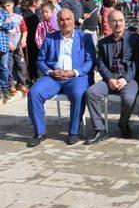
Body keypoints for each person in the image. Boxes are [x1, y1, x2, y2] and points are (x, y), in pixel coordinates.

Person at [26, 9, 95, 147]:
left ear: (73, 20)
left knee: (78, 93)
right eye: (62, 20)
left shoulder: (84, 37)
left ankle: (74, 131)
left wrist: (74, 72)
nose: (65, 22)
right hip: (53, 77)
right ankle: (39, 132)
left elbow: (90, 61)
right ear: (57, 22)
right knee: (34, 93)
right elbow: (40, 61)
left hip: (76, 76)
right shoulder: (50, 37)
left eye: (68, 19)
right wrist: (51, 72)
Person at [85, 10, 139, 144]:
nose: (118, 24)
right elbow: (101, 63)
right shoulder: (104, 42)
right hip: (110, 78)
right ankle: (100, 129)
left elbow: (137, 61)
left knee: (128, 98)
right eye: (114, 21)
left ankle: (123, 123)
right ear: (109, 23)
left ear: (125, 22)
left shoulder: (134, 38)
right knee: (91, 93)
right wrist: (109, 79)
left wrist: (125, 79)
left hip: (129, 78)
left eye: (121, 20)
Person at [2, 0, 28, 96]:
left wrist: (23, 39)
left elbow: (24, 30)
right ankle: (11, 84)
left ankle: (21, 83)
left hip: (18, 46)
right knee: (9, 65)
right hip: (7, 47)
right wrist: (8, 43)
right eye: (4, 6)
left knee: (21, 65)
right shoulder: (2, 19)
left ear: (12, 5)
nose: (6, 8)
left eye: (8, 5)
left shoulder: (19, 17)